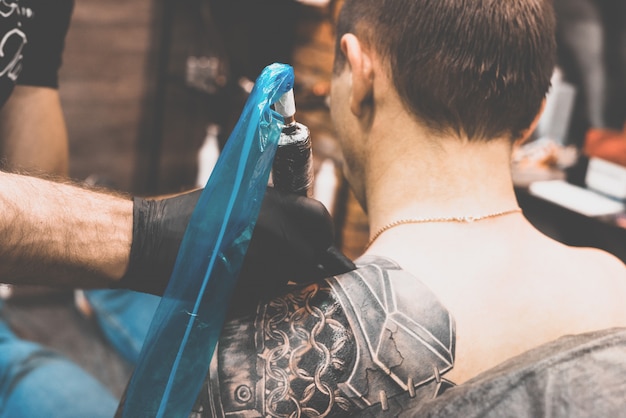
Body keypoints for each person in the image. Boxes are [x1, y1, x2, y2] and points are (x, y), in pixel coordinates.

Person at [117, 0, 626, 416]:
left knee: (63, 352)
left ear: (360, 75)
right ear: (536, 115)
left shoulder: (257, 353)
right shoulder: (614, 284)